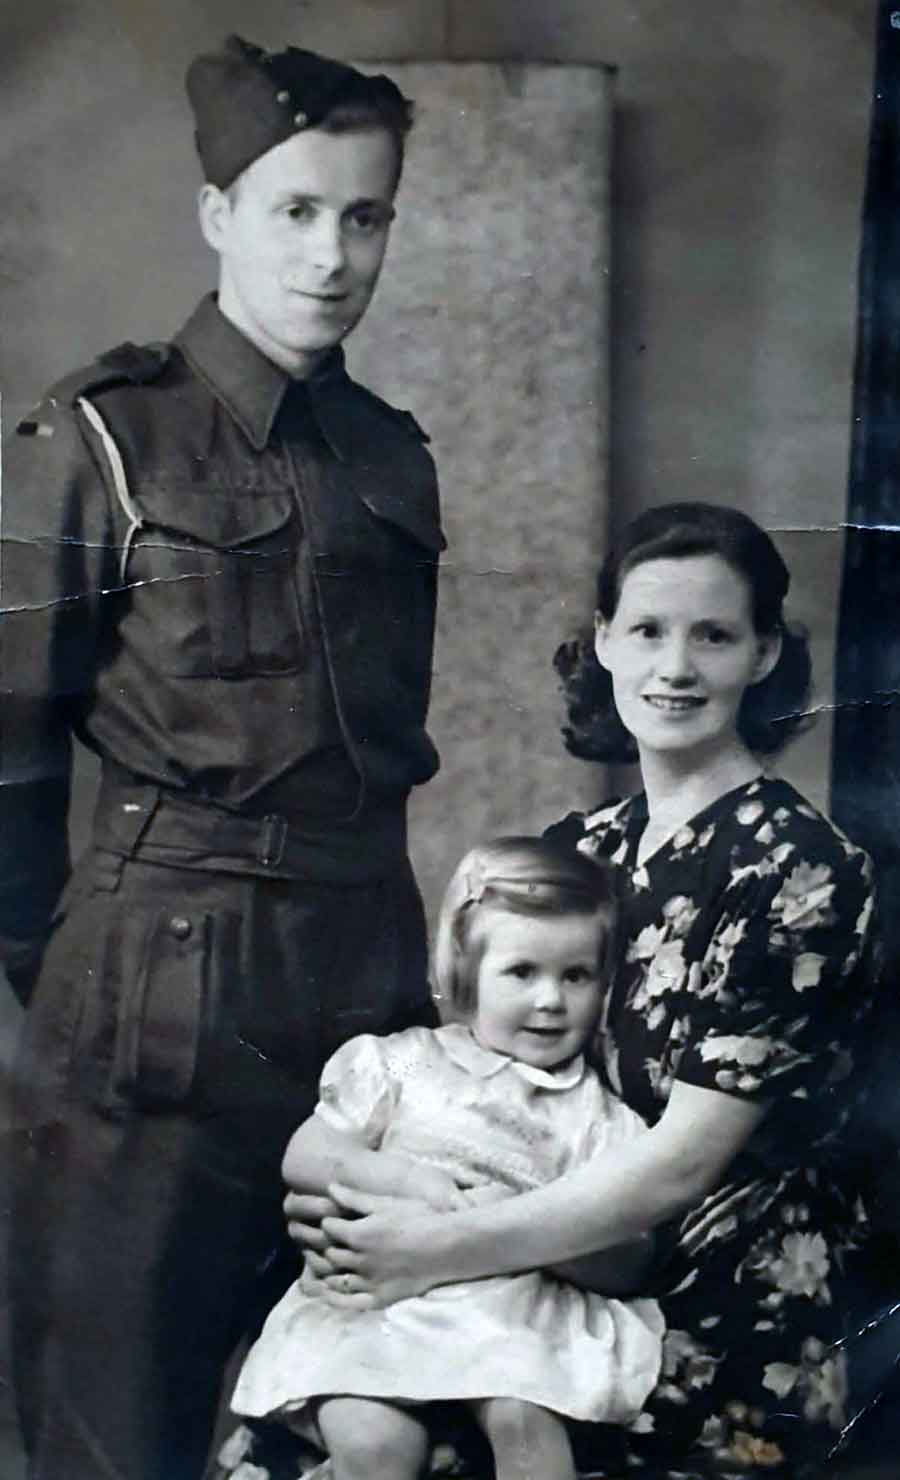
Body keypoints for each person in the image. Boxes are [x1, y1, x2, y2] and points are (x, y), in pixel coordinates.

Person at [0, 35, 443, 1480]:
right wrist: (71, 981)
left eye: (364, 215)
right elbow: (5, 758)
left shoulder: (390, 456)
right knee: (118, 1433)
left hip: (365, 984)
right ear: (218, 215)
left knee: (349, 1427)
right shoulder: (98, 440)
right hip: (157, 996)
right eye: (296, 210)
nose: (332, 254)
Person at [285, 503, 883, 1480]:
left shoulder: (803, 872)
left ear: (765, 653)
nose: (675, 667)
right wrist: (362, 1198)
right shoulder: (578, 851)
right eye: (647, 629)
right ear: (603, 640)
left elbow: (678, 1169)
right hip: (533, 1274)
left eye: (715, 635)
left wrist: (430, 1247)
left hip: (716, 1317)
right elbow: (468, 1080)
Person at [228, 837, 664, 1480]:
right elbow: (308, 1152)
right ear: (467, 970)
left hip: (514, 1316)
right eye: (522, 973)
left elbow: (630, 1253)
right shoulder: (405, 1062)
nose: (550, 1000)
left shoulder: (595, 1113)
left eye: (576, 976)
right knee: (377, 1444)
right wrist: (404, 1179)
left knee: (528, 1427)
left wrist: (529, 1224)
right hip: (381, 1308)